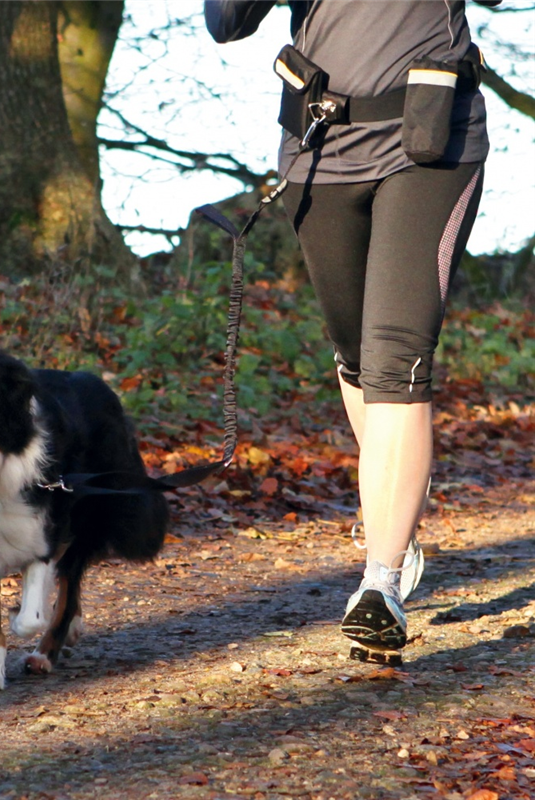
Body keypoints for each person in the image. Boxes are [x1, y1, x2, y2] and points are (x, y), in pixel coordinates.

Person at [204, 0, 497, 663]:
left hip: (431, 139)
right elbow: (226, 21)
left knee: (397, 358)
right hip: (321, 147)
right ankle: (393, 510)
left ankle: (381, 582)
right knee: (357, 356)